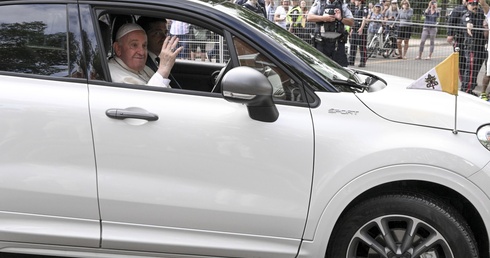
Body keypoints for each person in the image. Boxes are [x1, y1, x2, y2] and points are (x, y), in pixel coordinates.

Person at [108, 23, 182, 86]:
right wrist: (163, 70)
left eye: (144, 46)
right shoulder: (116, 76)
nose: (142, 52)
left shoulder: (143, 68)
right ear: (118, 48)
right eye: (134, 45)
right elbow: (147, 101)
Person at [307, 0, 355, 67]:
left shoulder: (342, 5)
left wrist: (340, 18)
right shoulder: (319, 3)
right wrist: (323, 18)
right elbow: (309, 17)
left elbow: (352, 22)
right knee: (320, 68)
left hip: (337, 44)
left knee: (340, 69)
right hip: (322, 43)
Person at [460, 0, 487, 95]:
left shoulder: (480, 14)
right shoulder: (467, 15)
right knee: (470, 70)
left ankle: (470, 89)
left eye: (476, 4)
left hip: (481, 47)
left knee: (475, 70)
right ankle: (466, 91)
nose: (474, 6)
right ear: (467, 4)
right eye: (472, 4)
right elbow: (468, 22)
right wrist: (469, 26)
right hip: (472, 47)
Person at [447, 0, 468, 79]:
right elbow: (451, 22)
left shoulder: (476, 10)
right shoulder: (457, 9)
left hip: (471, 40)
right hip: (459, 38)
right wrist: (450, 34)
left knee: (470, 61)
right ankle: (463, 79)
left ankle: (468, 78)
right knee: (460, 59)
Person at [349, 0, 368, 66]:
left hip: (361, 28)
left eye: (356, 1)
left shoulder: (364, 8)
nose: (355, 2)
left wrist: (361, 28)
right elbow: (353, 19)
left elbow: (364, 19)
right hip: (355, 28)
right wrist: (351, 29)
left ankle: (363, 62)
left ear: (360, 1)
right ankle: (351, 60)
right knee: (353, 45)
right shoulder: (355, 8)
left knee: (362, 46)